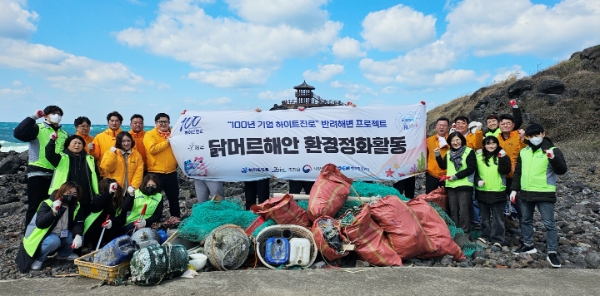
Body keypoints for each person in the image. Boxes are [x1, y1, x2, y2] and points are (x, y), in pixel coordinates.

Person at [511, 124, 567, 268]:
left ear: (543, 133)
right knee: (526, 220)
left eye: (537, 135)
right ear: (528, 137)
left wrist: (553, 158)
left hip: (544, 192)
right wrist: (514, 189)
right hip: (526, 192)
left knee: (549, 223)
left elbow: (561, 170)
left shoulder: (553, 150)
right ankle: (529, 244)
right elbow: (518, 172)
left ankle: (552, 252)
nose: (535, 138)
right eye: (531, 136)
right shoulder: (524, 151)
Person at [14, 106, 69, 228]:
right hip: (38, 174)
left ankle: (46, 235)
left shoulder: (64, 134)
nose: (57, 116)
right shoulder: (37, 128)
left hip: (56, 176)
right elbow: (18, 133)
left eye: (60, 114)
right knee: (35, 207)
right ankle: (29, 239)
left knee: (52, 206)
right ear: (46, 116)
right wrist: (33, 117)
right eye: (54, 113)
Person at [15, 181, 85, 272]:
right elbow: (40, 223)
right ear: (62, 192)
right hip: (46, 236)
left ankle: (64, 255)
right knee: (53, 240)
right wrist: (53, 212)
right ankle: (39, 259)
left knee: (78, 236)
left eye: (74, 193)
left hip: (63, 233)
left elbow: (78, 222)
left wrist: (78, 235)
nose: (71, 196)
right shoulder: (48, 203)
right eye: (68, 193)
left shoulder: (76, 206)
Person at [46, 134, 99, 218]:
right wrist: (52, 141)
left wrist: (96, 193)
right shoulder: (61, 157)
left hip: (86, 197)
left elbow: (96, 177)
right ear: (68, 144)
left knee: (84, 220)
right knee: (65, 219)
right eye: (74, 143)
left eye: (80, 143)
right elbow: (49, 154)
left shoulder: (90, 159)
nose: (77, 145)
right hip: (64, 196)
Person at [435, 132, 476, 235]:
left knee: (464, 211)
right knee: (453, 210)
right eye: (453, 141)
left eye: (458, 140)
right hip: (451, 185)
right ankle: (455, 231)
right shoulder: (449, 153)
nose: (455, 142)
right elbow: (444, 166)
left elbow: (471, 168)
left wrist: (456, 176)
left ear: (462, 140)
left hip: (464, 185)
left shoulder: (469, 151)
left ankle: (464, 233)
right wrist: (437, 155)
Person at [475, 136, 511, 247]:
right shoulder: (479, 156)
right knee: (484, 216)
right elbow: (474, 172)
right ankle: (485, 235)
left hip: (498, 190)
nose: (491, 146)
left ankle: (498, 238)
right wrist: (477, 181)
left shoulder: (502, 155)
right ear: (484, 145)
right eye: (488, 143)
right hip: (482, 190)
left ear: (497, 144)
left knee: (498, 217)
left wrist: (503, 158)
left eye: (493, 143)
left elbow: (505, 170)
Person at [143, 113, 180, 219]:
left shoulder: (174, 133)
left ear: (169, 123)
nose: (163, 124)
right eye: (161, 122)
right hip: (155, 173)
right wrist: (167, 141)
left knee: (174, 199)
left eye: (166, 122)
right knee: (154, 199)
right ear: (156, 123)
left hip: (171, 172)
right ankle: (153, 220)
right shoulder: (150, 134)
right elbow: (152, 149)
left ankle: (176, 220)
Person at [454, 115, 483, 228]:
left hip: (471, 168)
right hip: (456, 170)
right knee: (458, 196)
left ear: (468, 125)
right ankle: (460, 219)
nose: (460, 125)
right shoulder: (453, 136)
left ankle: (475, 220)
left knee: (473, 195)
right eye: (458, 123)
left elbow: (479, 144)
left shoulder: (472, 136)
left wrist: (479, 131)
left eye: (463, 123)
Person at [498, 112, 527, 221]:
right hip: (500, 175)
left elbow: (528, 149)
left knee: (518, 202)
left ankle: (525, 226)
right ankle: (504, 225)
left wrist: (524, 138)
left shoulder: (519, 137)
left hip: (515, 176)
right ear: (499, 125)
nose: (505, 125)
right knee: (500, 202)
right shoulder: (496, 139)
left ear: (513, 125)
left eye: (508, 123)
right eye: (503, 123)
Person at [84, 178, 127, 247]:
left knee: (116, 229)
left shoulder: (121, 201)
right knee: (96, 228)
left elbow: (122, 218)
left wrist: (112, 221)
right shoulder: (98, 198)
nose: (114, 191)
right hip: (97, 227)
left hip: (111, 227)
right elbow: (95, 207)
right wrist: (108, 194)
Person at [91, 111, 123, 176]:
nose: (114, 123)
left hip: (122, 172)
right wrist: (91, 150)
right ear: (108, 122)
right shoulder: (99, 137)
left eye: (117, 121)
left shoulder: (125, 136)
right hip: (104, 172)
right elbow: (96, 156)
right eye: (112, 120)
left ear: (120, 123)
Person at [424, 117, 450, 193]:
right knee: (429, 197)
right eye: (439, 125)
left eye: (444, 125)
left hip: (446, 175)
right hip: (431, 174)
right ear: (436, 127)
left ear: (448, 127)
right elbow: (424, 154)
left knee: (447, 199)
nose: (441, 127)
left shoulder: (452, 140)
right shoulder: (429, 140)